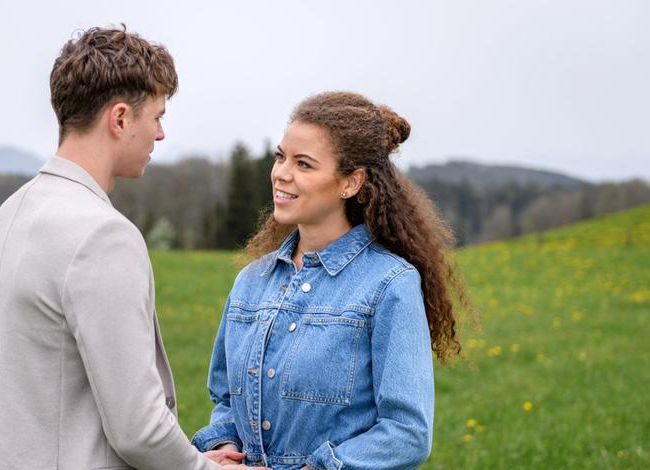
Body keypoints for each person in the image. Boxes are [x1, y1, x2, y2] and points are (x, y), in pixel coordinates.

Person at [0, 26, 260, 470]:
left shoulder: (13, 210)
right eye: (157, 116)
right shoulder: (102, 236)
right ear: (121, 118)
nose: (161, 134)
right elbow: (138, 429)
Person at [192, 92, 468, 469]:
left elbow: (407, 433)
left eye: (304, 164)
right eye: (280, 156)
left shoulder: (390, 285)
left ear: (350, 183)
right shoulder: (251, 282)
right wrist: (224, 446)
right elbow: (226, 399)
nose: (281, 173)